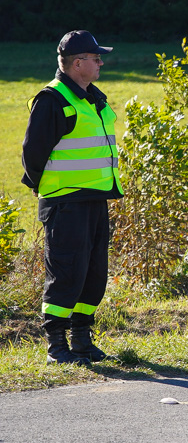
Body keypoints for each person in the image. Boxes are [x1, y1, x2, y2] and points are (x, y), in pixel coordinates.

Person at [21, 30, 123, 365]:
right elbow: (32, 154)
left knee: (93, 273)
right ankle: (56, 345)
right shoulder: (53, 100)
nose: (100, 63)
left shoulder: (91, 97)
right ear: (77, 63)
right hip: (65, 202)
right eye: (95, 59)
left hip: (94, 198)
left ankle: (81, 339)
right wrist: (47, 188)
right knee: (66, 272)